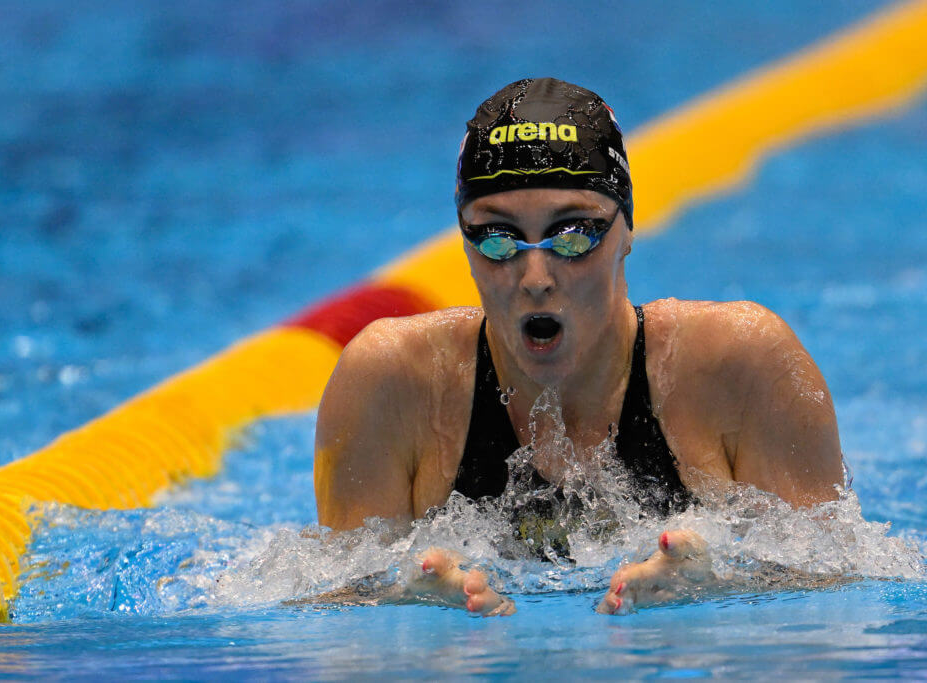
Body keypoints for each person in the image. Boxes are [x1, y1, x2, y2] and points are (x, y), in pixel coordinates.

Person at [313, 78, 843, 616]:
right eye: (497, 238)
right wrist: (411, 609)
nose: (536, 276)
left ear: (627, 228)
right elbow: (337, 623)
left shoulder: (742, 364)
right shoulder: (391, 382)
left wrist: (725, 589)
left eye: (573, 235)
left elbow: (838, 598)